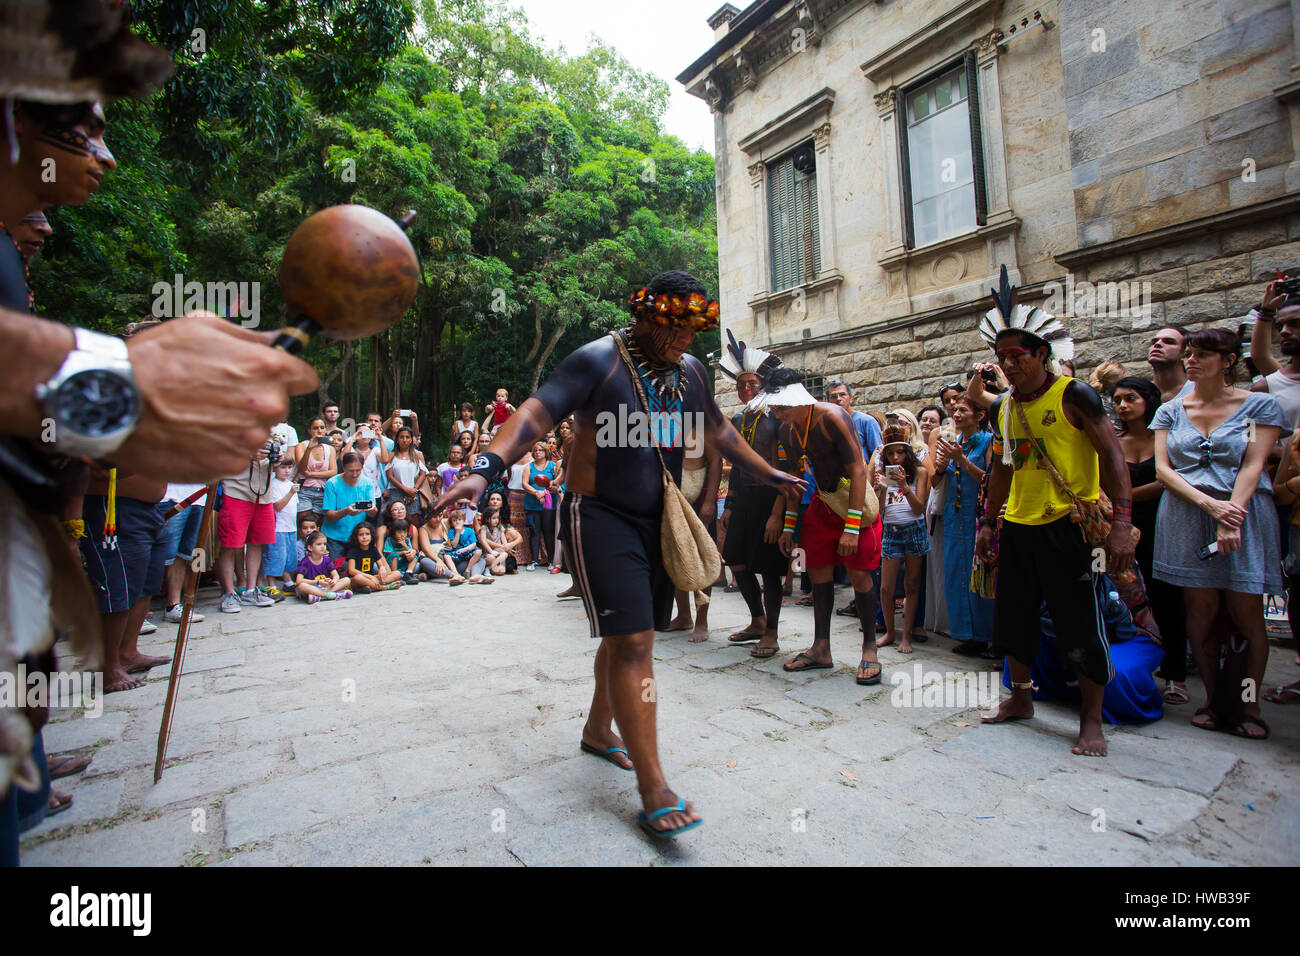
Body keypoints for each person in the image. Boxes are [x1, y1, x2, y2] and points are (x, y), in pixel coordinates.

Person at [434, 271, 801, 838]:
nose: (685, 340)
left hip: (661, 521)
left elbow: (717, 428)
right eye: (675, 327)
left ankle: (598, 731)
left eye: (693, 330)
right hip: (600, 516)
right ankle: (654, 786)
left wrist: (769, 471)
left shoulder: (691, 372)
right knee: (634, 642)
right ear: (648, 316)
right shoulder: (598, 360)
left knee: (623, 634)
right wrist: (486, 468)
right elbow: (533, 415)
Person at [975, 271, 1134, 757]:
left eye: (1017, 357)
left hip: (1070, 530)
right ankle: (1020, 700)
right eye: (1002, 358)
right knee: (1014, 618)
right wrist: (987, 521)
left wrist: (1122, 525)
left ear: (1043, 355)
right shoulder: (1003, 407)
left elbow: (1113, 457)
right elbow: (1002, 469)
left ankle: (1090, 720)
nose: (1008, 366)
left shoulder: (1074, 395)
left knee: (1080, 622)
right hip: (1019, 528)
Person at [1152, 328, 1288, 740]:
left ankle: (1249, 702)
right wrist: (1207, 505)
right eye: (1189, 353)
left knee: (1247, 611)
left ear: (1228, 360)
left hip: (1243, 509)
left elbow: (1254, 463)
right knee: (1201, 610)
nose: (1191, 360)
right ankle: (1212, 699)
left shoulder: (1259, 405)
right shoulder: (1171, 410)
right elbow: (1163, 469)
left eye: (1202, 354)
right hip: (1186, 511)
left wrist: (1231, 513)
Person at [750, 365, 883, 686]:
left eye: (781, 405)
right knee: (817, 569)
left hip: (854, 504)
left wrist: (852, 527)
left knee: (860, 574)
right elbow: (794, 480)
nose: (777, 412)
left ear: (798, 399)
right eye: (774, 406)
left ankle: (870, 650)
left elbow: (858, 470)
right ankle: (821, 647)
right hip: (822, 503)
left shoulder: (833, 417)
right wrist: (789, 525)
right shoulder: (786, 430)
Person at [1113, 375, 1188, 704]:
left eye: (1130, 398)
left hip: (1162, 522)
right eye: (1117, 400)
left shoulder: (1167, 437)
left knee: (1167, 596)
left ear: (1148, 401)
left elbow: (1166, 480)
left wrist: (1123, 494)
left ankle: (1174, 674)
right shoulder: (1113, 441)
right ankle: (1129, 660)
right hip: (1122, 527)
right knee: (1126, 594)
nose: (1122, 405)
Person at [718, 349, 790, 659]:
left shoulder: (777, 415)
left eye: (752, 383)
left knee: (769, 569)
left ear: (763, 384)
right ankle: (757, 621)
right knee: (735, 560)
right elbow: (735, 464)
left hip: (771, 498)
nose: (745, 389)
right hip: (744, 498)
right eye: (740, 384)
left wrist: (778, 512)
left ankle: (772, 633)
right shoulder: (738, 417)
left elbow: (787, 470)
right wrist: (730, 505)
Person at [932, 394, 996, 657]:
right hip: (954, 516)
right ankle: (967, 634)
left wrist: (962, 461)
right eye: (954, 410)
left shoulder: (990, 442)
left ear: (979, 416)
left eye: (962, 411)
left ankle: (988, 636)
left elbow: (991, 481)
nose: (955, 415)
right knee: (956, 573)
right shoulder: (954, 442)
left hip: (978, 517)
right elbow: (937, 483)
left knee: (980, 575)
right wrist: (940, 466)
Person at [874, 425, 929, 654]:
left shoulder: (921, 473)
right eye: (890, 453)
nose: (895, 457)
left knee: (912, 584)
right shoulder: (882, 473)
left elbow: (919, 509)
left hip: (914, 529)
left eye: (900, 452)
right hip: (891, 531)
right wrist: (884, 489)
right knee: (886, 588)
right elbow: (879, 512)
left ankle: (906, 635)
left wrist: (905, 486)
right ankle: (890, 632)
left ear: (908, 452)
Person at [664, 440, 721, 642]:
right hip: (673, 495)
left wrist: (709, 501)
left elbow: (716, 461)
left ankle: (701, 621)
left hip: (699, 497)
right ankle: (683, 616)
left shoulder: (702, 421)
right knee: (676, 555)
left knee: (702, 559)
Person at [216, 444, 277, 613]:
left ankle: (250, 590)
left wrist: (276, 457)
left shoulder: (271, 430)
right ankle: (228, 592)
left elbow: (282, 459)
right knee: (230, 544)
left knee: (257, 542)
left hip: (263, 493)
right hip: (237, 490)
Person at [160, 482, 208, 624]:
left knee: (183, 554)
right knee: (161, 554)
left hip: (198, 496)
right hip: (172, 495)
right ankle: (139, 610)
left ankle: (173, 605)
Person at [321, 452, 378, 561]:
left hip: (357, 537)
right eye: (351, 471)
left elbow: (373, 512)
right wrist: (346, 511)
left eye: (358, 470)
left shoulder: (367, 483)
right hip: (334, 537)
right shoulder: (332, 483)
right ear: (343, 467)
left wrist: (372, 509)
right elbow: (329, 516)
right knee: (337, 569)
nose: (355, 474)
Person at [262, 457, 300, 597]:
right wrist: (291, 492)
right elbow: (277, 506)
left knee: (289, 557)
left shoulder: (290, 483)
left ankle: (287, 581)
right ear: (275, 469)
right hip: (278, 528)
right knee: (276, 556)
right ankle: (271, 584)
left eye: (289, 467)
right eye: (283, 467)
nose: (287, 471)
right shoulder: (273, 484)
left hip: (291, 527)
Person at [522, 441, 558, 570]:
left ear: (546, 452)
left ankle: (551, 560)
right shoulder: (528, 467)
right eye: (535, 450)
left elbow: (557, 483)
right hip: (532, 504)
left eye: (540, 450)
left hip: (549, 504)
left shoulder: (553, 466)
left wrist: (545, 492)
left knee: (549, 531)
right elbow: (525, 484)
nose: (537, 452)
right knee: (534, 532)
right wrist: (536, 492)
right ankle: (533, 560)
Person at [385, 425, 429, 526]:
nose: (404, 440)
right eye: (401, 437)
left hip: (413, 492)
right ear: (397, 439)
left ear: (411, 439)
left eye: (407, 437)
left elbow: (423, 473)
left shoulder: (417, 455)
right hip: (396, 491)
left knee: (414, 520)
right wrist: (405, 489)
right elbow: (390, 476)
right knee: (396, 521)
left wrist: (414, 489)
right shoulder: (392, 455)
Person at [295, 531, 354, 603]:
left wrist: (333, 581)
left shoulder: (327, 560)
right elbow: (299, 581)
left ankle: (320, 596)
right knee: (302, 586)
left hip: (325, 587)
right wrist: (317, 582)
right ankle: (333, 595)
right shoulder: (305, 562)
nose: (323, 546)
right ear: (310, 547)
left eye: (324, 544)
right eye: (319, 544)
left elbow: (336, 575)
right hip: (312, 587)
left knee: (347, 580)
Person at [295, 417, 337, 515]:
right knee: (304, 521)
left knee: (318, 523)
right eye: (315, 428)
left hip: (323, 490)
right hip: (305, 489)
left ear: (326, 430)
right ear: (309, 430)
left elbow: (333, 472)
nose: (319, 431)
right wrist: (309, 449)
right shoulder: (301, 446)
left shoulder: (330, 449)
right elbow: (301, 469)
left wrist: (310, 474)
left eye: (322, 428)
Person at [345, 521, 403, 592]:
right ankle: (385, 587)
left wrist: (382, 569)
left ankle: (369, 587)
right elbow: (351, 571)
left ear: (372, 536)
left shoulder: (373, 549)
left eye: (367, 534)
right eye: (361, 535)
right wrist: (370, 577)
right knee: (358, 578)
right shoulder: (353, 550)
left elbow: (380, 565)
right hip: (358, 579)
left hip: (372, 578)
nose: (364, 537)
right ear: (356, 537)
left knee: (397, 573)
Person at [443, 509, 493, 584]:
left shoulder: (469, 530)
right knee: (447, 556)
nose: (457, 522)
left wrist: (465, 549)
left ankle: (468, 570)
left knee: (479, 551)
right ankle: (455, 574)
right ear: (451, 522)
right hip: (458, 553)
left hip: (468, 551)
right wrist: (457, 532)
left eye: (459, 519)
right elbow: (454, 545)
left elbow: (474, 544)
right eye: (454, 520)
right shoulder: (452, 531)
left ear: (463, 520)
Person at [1147, 326, 1190, 401]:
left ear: (1185, 353)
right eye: (1154, 342)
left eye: (1169, 342)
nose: (1157, 344)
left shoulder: (1200, 390)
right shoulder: (1142, 397)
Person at [381, 517, 423, 585]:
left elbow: (410, 551)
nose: (402, 534)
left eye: (405, 532)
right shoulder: (390, 540)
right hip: (393, 562)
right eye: (399, 532)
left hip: (404, 562)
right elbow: (389, 553)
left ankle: (408, 573)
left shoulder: (407, 540)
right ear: (394, 533)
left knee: (415, 556)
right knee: (394, 555)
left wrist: (405, 546)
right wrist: (402, 552)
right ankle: (395, 576)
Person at [479, 507, 520, 575]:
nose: (496, 520)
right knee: (491, 558)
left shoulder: (500, 527)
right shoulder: (484, 527)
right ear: (487, 519)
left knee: (501, 570)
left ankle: (489, 568)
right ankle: (489, 567)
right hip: (488, 553)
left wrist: (507, 548)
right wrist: (491, 551)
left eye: (497, 518)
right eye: (494, 518)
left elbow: (504, 542)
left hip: (499, 553)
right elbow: (483, 541)